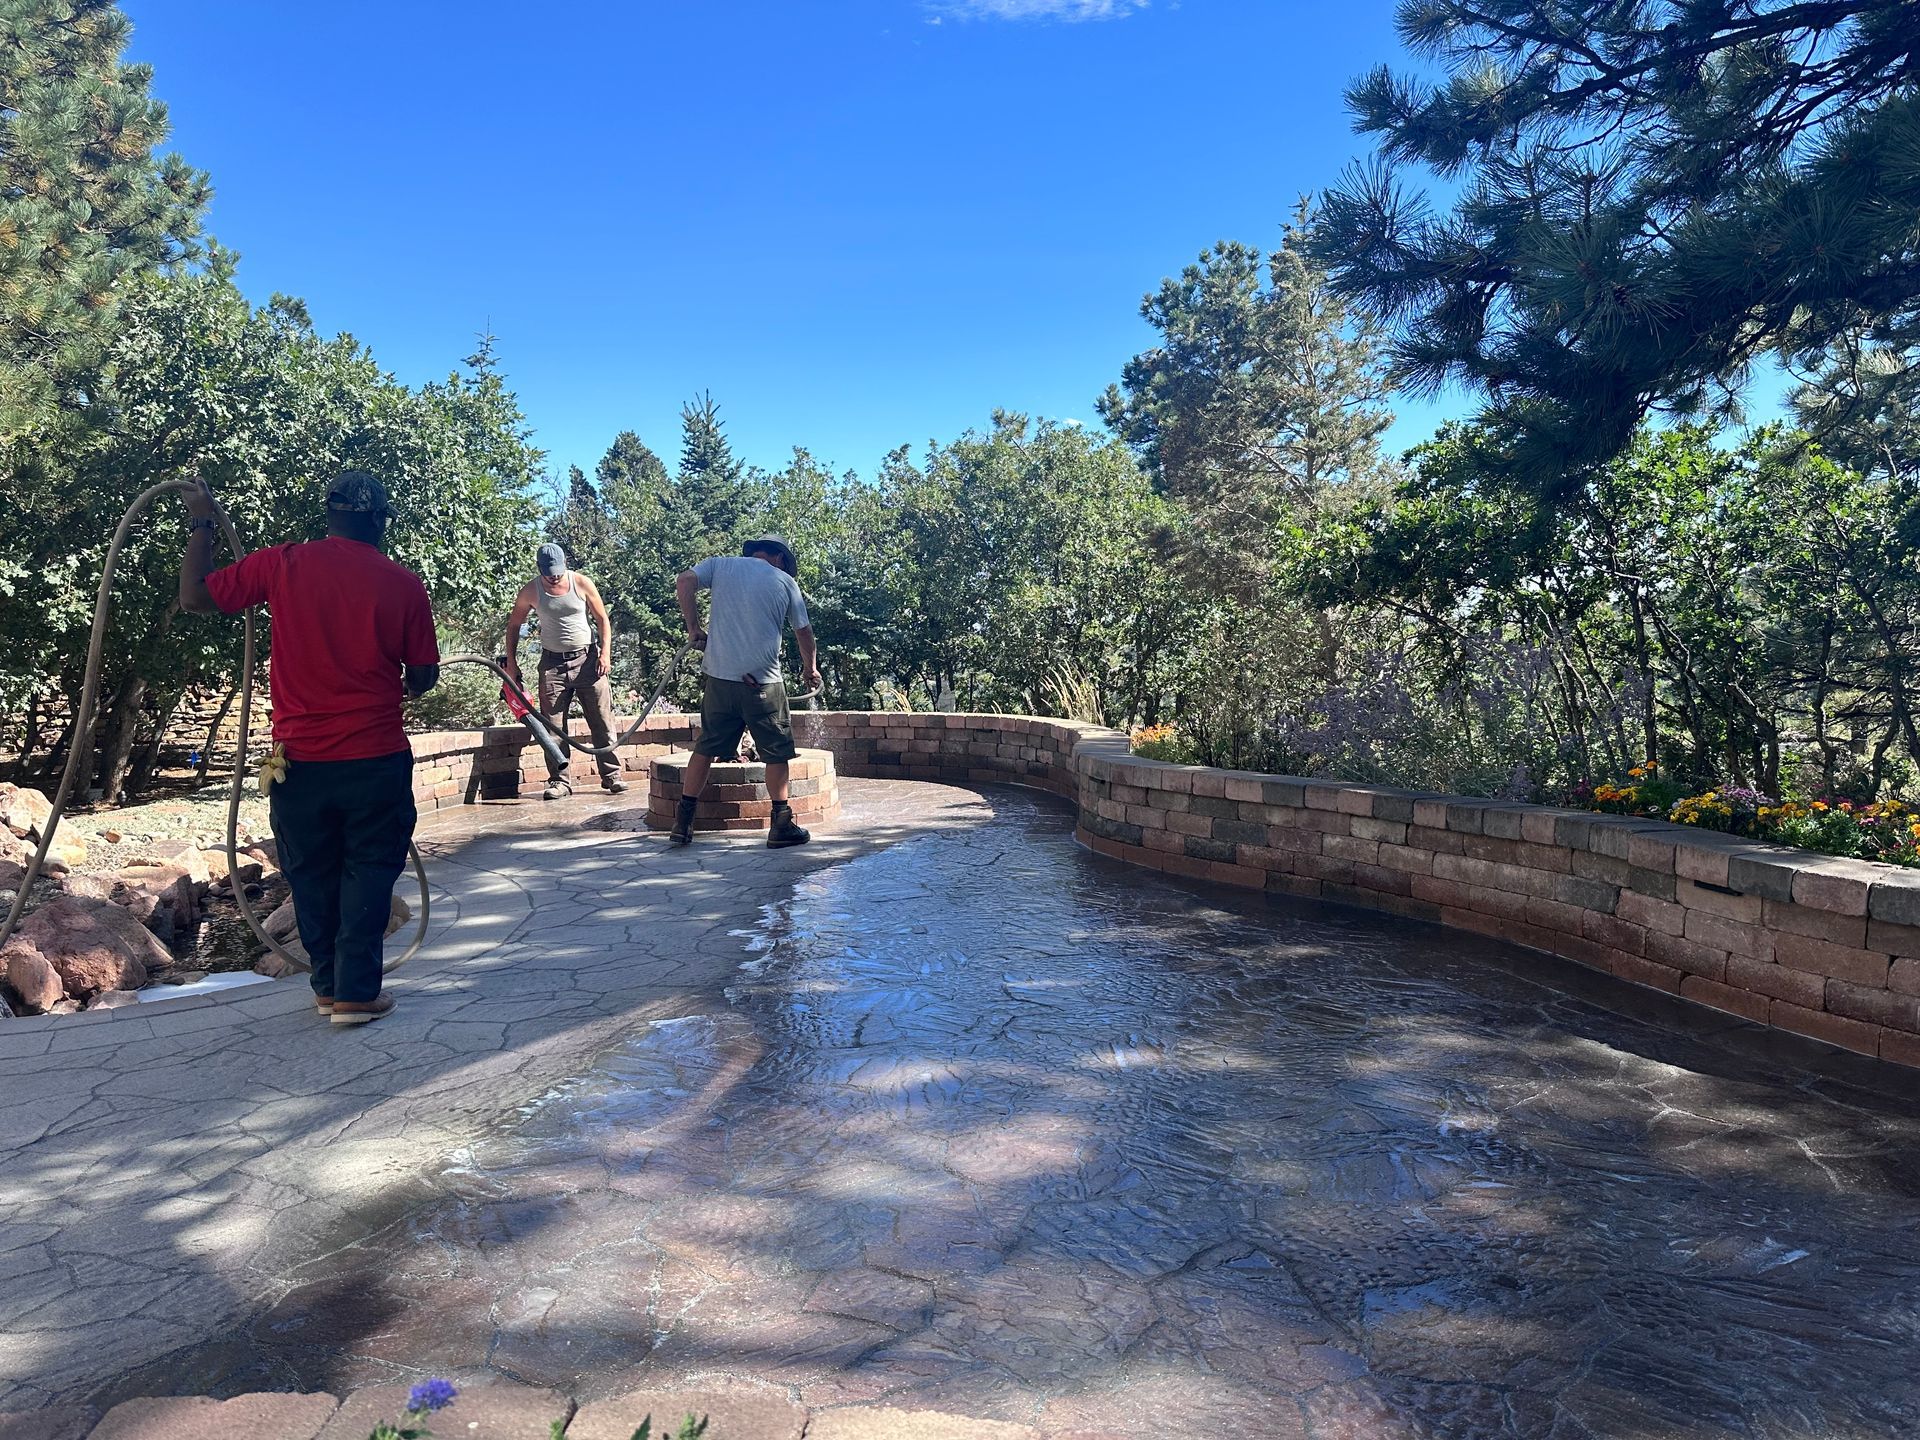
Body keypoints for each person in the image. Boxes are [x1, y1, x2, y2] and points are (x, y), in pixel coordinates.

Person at [178, 470, 439, 1027]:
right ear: (378, 521)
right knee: (369, 869)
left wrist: (202, 520)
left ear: (330, 514)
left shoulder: (282, 563)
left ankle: (329, 988)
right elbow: (422, 677)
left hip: (299, 764)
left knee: (312, 873)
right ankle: (356, 992)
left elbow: (195, 596)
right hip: (374, 758)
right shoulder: (403, 583)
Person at [671, 536, 822, 848]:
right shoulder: (785, 582)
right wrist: (810, 668)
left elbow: (684, 580)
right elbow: (804, 633)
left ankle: (682, 823)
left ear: (753, 552)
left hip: (719, 679)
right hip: (763, 684)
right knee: (776, 754)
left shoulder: (720, 565)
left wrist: (693, 627)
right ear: (779, 558)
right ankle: (781, 825)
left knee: (705, 749)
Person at [502, 543, 628, 800]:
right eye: (549, 572)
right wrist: (512, 663)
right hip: (552, 665)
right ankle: (560, 781)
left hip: (588, 660)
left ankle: (612, 775)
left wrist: (605, 653)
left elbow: (602, 619)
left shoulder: (581, 583)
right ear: (540, 569)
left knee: (602, 720)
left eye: (558, 571)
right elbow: (514, 625)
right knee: (553, 726)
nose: (554, 576)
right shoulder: (530, 591)